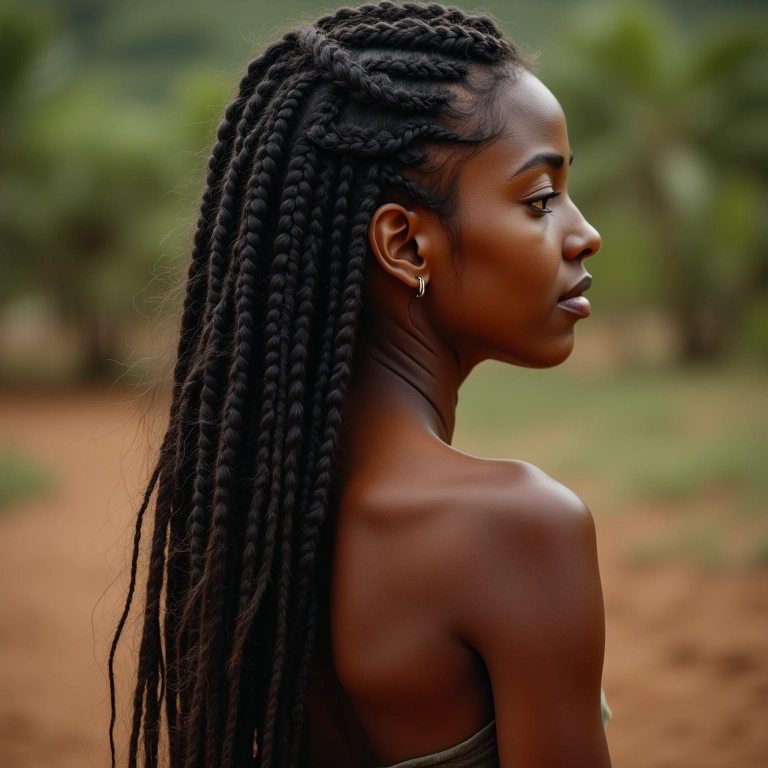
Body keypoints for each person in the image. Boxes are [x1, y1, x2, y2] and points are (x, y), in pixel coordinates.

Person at [109, 2, 611, 767]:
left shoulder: (256, 516)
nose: (585, 234)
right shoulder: (517, 529)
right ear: (405, 245)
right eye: (540, 199)